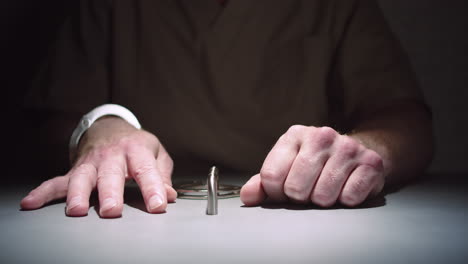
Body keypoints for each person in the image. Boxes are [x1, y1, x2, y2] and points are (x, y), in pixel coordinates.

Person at [20, 0, 433, 218]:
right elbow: (48, 117)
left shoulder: (336, 5)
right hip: (138, 206)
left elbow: (406, 119)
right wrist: (100, 126)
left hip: (295, 212)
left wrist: (359, 152)